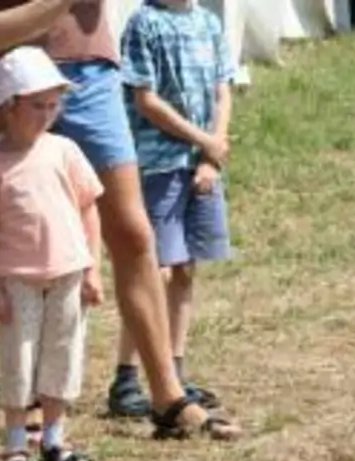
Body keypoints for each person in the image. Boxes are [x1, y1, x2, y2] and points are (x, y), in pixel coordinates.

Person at [0, 0, 239, 438]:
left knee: (132, 231)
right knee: (12, 232)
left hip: (86, 71)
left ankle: (167, 396)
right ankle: (26, 398)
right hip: (2, 71)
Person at [0, 47, 102, 461]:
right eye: (37, 106)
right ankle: (14, 439)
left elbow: (87, 208)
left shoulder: (64, 150)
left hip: (67, 272)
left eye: (52, 105)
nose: (47, 114)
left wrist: (93, 267)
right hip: (18, 279)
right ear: (9, 107)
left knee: (63, 352)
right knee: (18, 357)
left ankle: (55, 437)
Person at [121, 0, 236, 410]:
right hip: (159, 162)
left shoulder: (207, 22)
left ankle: (174, 368)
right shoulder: (144, 23)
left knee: (185, 268)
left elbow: (224, 89)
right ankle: (128, 378)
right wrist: (202, 140)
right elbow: (146, 99)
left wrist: (210, 154)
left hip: (200, 163)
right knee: (156, 271)